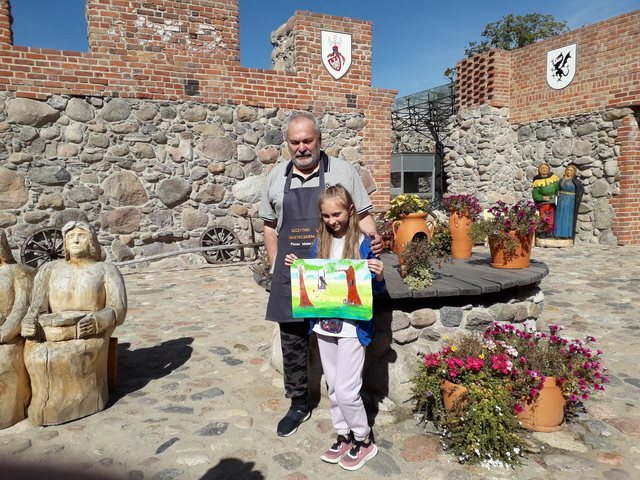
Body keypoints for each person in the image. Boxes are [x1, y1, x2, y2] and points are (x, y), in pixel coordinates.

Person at [259, 111, 381, 437]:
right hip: (292, 272)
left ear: (319, 140)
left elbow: (363, 216)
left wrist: (373, 238)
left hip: (335, 275)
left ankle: (344, 402)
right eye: (294, 142)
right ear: (287, 143)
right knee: (292, 341)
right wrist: (274, 265)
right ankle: (299, 402)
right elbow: (269, 226)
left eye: (307, 141)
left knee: (337, 340)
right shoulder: (276, 177)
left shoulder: (342, 171)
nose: (301, 148)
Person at [284, 185, 384, 471]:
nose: (332, 221)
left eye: (337, 214)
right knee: (334, 387)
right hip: (325, 325)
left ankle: (364, 439)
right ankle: (343, 435)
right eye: (326, 216)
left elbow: (376, 290)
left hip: (352, 327)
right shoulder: (320, 242)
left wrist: (378, 276)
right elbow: (315, 281)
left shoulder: (364, 243)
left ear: (351, 211)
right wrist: (299, 267)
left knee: (347, 389)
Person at [21, 221, 127, 425]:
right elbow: (36, 306)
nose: (76, 240)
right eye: (70, 237)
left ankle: (80, 401)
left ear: (92, 241)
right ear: (65, 243)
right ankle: (42, 403)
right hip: (52, 330)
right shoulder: (50, 269)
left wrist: (97, 321)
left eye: (82, 235)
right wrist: (29, 320)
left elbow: (118, 308)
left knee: (71, 358)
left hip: (90, 332)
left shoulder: (106, 270)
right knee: (35, 355)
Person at [0, 230, 34, 429]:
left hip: (11, 335)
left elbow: (22, 306)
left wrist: (4, 333)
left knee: (4, 362)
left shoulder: (19, 272)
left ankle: (8, 412)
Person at [553, 164, 583, 240]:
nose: (569, 171)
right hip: (561, 200)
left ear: (574, 172)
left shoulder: (576, 182)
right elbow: (557, 189)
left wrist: (577, 199)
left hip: (570, 201)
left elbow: (580, 191)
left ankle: (566, 234)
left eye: (571, 170)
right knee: (559, 216)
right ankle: (557, 233)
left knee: (567, 216)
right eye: (568, 170)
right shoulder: (561, 180)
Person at [531, 164, 560, 233]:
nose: (544, 170)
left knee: (552, 218)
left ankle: (551, 231)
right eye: (542, 168)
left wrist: (557, 194)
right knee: (544, 217)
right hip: (544, 203)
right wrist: (542, 197)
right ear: (539, 171)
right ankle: (543, 231)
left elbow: (558, 189)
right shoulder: (537, 181)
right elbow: (535, 195)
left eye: (546, 168)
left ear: (549, 170)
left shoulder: (554, 179)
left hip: (554, 202)